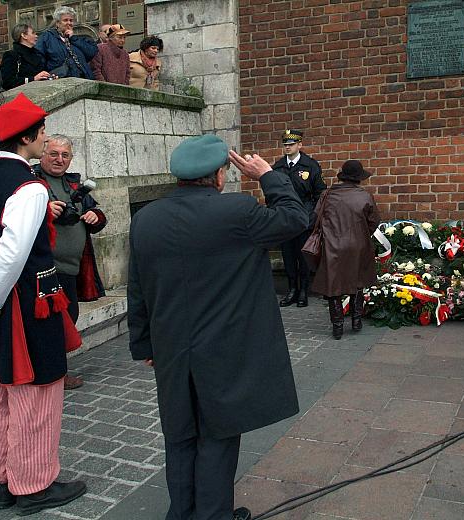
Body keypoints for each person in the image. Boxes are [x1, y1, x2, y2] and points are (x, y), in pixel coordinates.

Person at [128, 135, 308, 520]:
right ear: (220, 174)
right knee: (217, 436)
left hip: (172, 348)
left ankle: (182, 513)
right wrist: (268, 176)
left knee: (179, 436)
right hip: (224, 349)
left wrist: (143, 345)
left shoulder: (145, 219)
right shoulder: (237, 212)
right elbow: (295, 217)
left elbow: (138, 286)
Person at [0, 93, 86, 516]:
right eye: (42, 133)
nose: (46, 138)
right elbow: (13, 255)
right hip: (25, 302)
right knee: (36, 392)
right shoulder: (28, 186)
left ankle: (6, 478)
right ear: (29, 138)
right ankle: (33, 485)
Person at [34, 134, 108, 390]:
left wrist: (94, 215)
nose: (59, 159)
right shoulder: (32, 182)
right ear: (42, 154)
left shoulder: (74, 184)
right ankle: (53, 375)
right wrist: (44, 213)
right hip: (44, 267)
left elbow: (99, 217)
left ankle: (57, 371)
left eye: (65, 155)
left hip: (74, 268)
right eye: (54, 153)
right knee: (52, 323)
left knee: (69, 318)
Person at [311, 160, 380, 339]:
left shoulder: (327, 195)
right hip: (358, 245)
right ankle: (356, 321)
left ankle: (338, 326)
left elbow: (315, 218)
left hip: (332, 246)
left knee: (333, 286)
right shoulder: (365, 196)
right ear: (359, 178)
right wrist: (362, 234)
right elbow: (374, 222)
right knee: (357, 282)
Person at [271, 129, 325, 307]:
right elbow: (271, 193)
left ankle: (303, 292)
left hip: (304, 217)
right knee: (288, 255)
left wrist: (313, 217)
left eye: (291, 144)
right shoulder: (278, 167)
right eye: (285, 145)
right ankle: (292, 289)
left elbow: (320, 194)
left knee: (303, 257)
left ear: (300, 145)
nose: (287, 147)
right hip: (285, 218)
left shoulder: (310, 166)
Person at [35, 6, 98, 80]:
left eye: (71, 20)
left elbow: (91, 52)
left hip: (84, 79)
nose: (69, 23)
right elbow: (38, 58)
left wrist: (73, 38)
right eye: (65, 20)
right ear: (57, 23)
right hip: (60, 80)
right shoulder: (47, 37)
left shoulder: (78, 38)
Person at [0, 24, 55, 90]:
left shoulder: (38, 54)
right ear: (24, 35)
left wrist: (48, 77)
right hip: (21, 97)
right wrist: (33, 79)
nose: (36, 36)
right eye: (33, 33)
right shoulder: (11, 55)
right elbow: (7, 82)